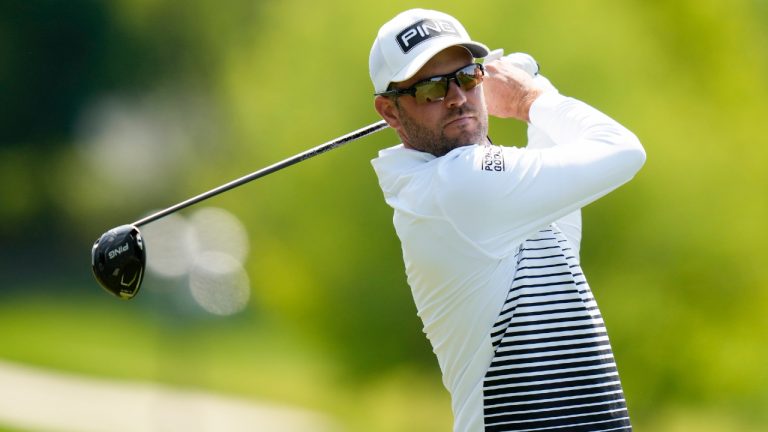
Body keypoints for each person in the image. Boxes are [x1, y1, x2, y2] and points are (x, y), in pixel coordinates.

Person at [368, 8, 646, 432]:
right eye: (429, 90)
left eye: (465, 77)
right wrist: (528, 97)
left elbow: (559, 153)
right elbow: (623, 151)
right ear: (389, 112)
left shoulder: (497, 200)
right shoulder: (455, 188)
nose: (457, 98)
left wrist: (535, 87)